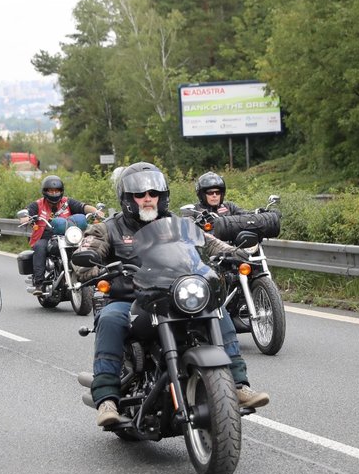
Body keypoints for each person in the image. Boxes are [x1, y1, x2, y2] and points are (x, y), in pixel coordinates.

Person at [73, 162, 269, 426]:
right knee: (110, 318)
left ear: (162, 196)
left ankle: (238, 385)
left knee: (218, 310)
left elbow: (209, 243)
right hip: (131, 300)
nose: (147, 199)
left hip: (173, 296)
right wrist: (91, 265)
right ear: (128, 199)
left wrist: (237, 254)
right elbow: (84, 257)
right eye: (140, 195)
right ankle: (107, 397)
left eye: (152, 194)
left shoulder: (177, 224)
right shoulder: (108, 228)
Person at [20, 174, 102, 295]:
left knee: (88, 245)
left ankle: (94, 277)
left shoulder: (67, 202)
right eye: (51, 191)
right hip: (46, 236)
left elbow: (83, 207)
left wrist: (96, 211)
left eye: (56, 191)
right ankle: (39, 283)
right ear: (45, 191)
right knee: (39, 247)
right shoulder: (37, 204)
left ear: (61, 191)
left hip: (67, 235)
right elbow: (27, 213)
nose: (54, 193)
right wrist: (26, 218)